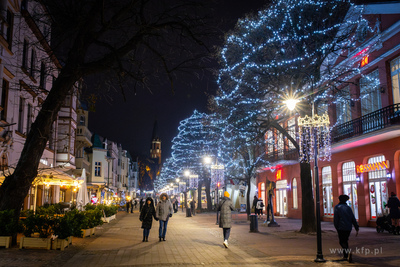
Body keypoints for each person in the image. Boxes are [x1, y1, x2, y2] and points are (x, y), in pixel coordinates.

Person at [334, 195, 359, 261]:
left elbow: (336, 218)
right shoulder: (348, 208)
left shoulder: (337, 207)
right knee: (345, 240)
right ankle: (345, 256)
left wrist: (336, 226)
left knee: (342, 241)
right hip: (348, 227)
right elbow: (353, 218)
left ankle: (346, 253)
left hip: (341, 227)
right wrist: (356, 226)